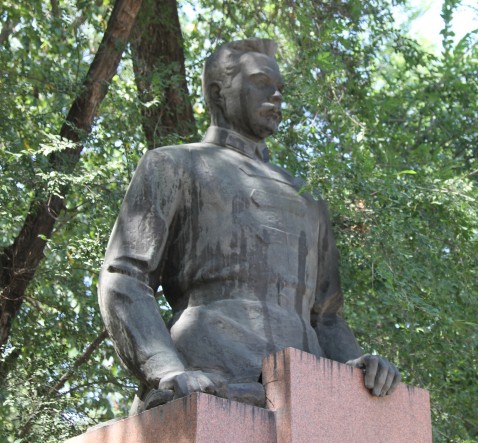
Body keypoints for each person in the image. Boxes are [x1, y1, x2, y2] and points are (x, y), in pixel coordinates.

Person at [98, 38, 400, 414]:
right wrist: (167, 370)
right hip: (208, 374)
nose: (276, 95)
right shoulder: (173, 165)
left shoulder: (308, 197)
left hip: (305, 390)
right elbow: (125, 278)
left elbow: (326, 316)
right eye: (261, 82)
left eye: (280, 87)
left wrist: (358, 372)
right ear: (218, 92)